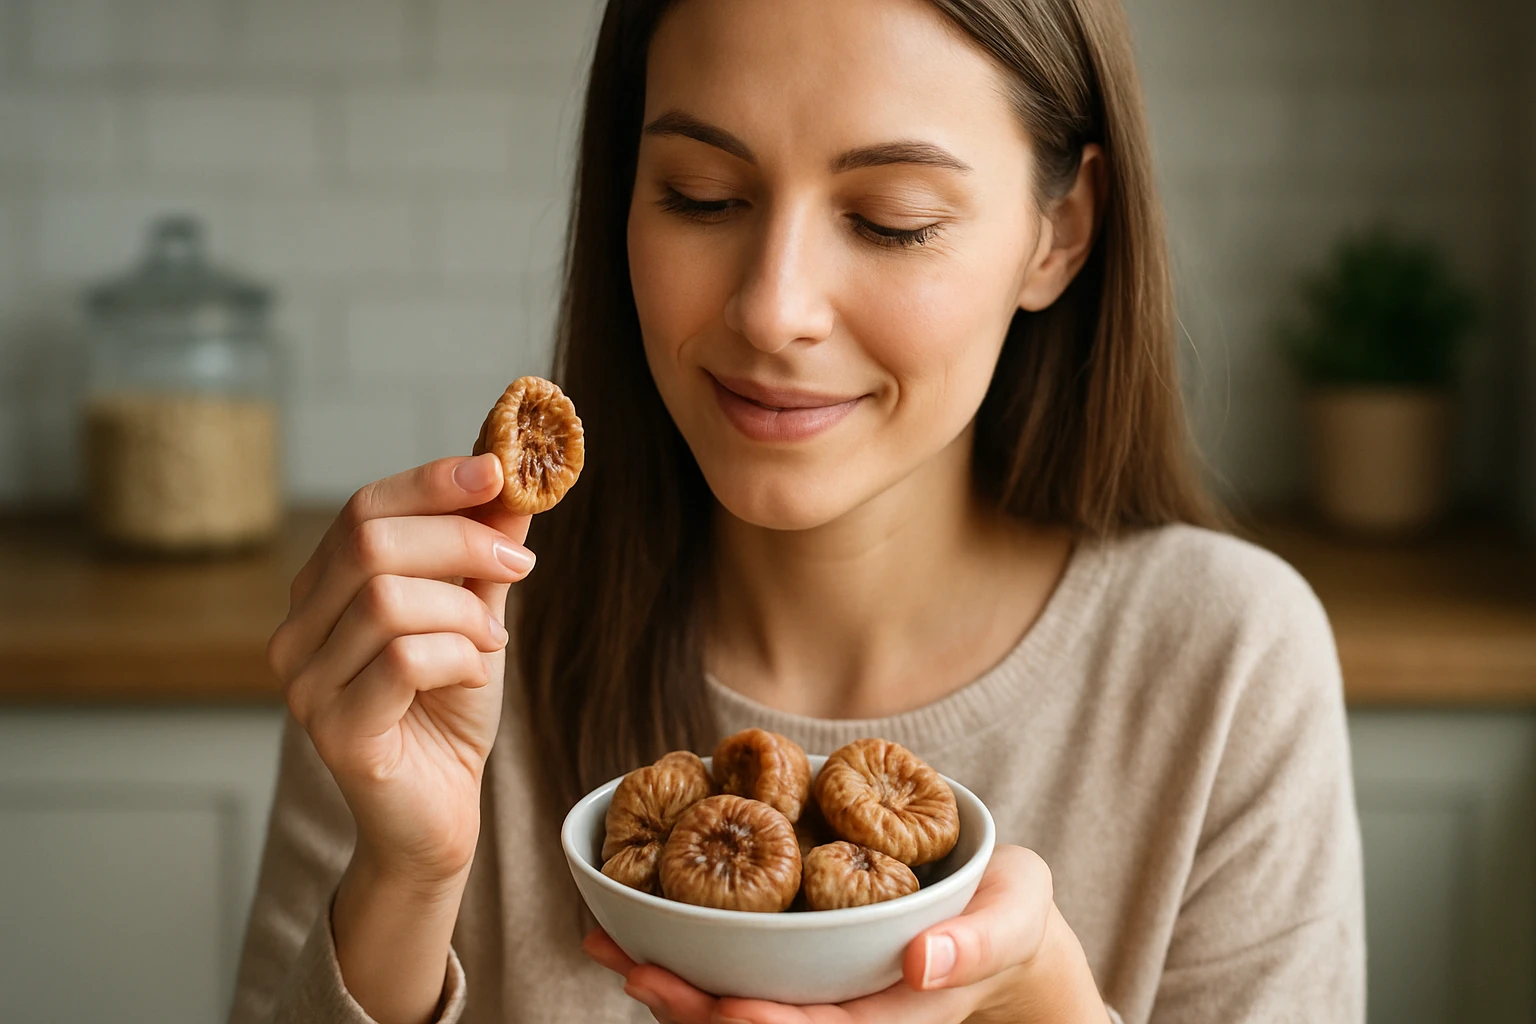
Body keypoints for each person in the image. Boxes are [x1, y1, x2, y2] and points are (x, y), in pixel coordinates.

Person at [230, 0, 1365, 1021]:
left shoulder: (1223, 664)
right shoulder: (439, 651)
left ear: (1056, 233)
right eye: (702, 197)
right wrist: (403, 886)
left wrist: (1046, 1009)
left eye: (892, 218)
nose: (774, 311)